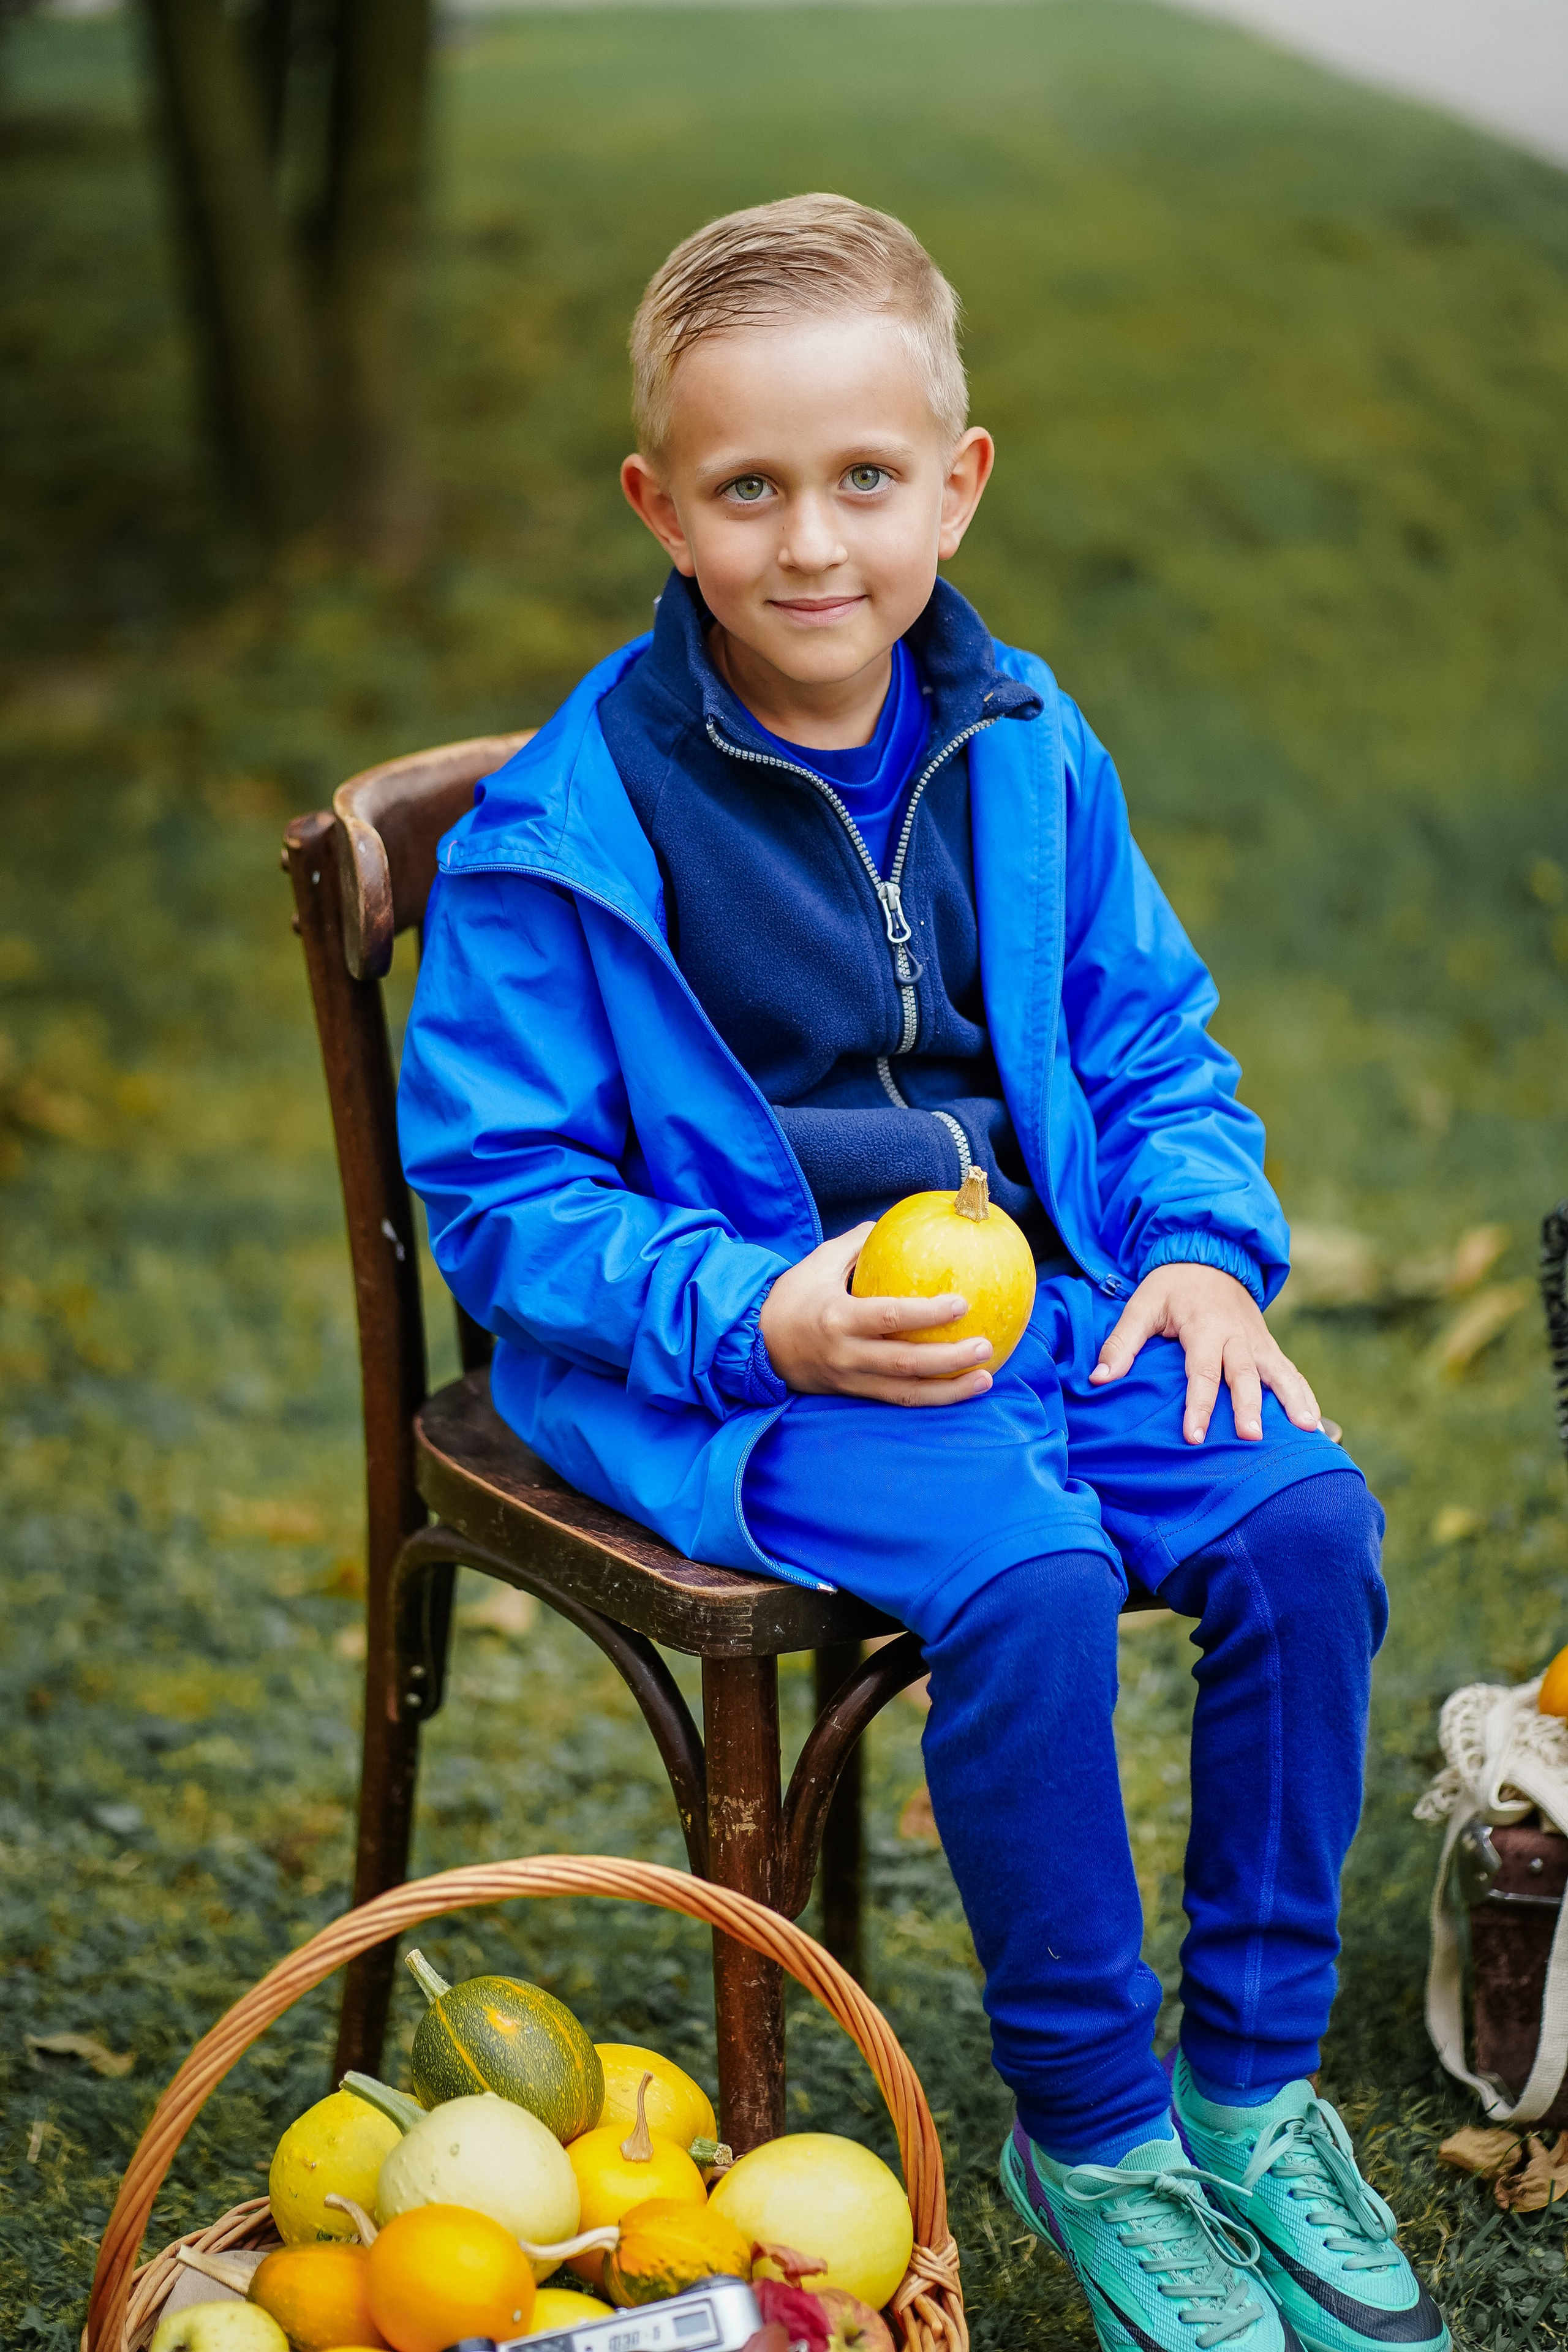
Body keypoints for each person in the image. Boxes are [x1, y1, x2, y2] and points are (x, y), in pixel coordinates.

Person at [399, 194, 1446, 2352]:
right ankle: (1095, 2131)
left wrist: (1201, 1258)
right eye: (748, 491)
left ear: (957, 481)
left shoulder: (1027, 748)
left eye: (866, 481)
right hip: (739, 1368)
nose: (812, 546)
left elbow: (1152, 1041)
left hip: (1034, 1316)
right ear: (658, 510)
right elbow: (501, 1197)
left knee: (1306, 1520)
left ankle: (1249, 2094)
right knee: (1034, 1580)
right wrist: (754, 1310)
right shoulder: (564, 832)